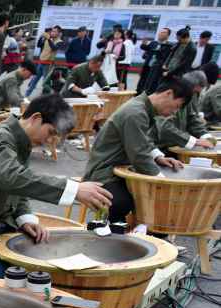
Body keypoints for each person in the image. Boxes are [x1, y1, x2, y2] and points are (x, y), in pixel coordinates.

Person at [0, 94, 112, 278]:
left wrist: (25, 218)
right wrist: (74, 189)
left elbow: (19, 188)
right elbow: (14, 179)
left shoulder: (19, 141)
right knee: (9, 279)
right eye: (51, 132)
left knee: (37, 267)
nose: (50, 141)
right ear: (36, 118)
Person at [83, 77, 191, 224]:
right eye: (177, 106)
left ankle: (135, 235)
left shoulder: (142, 108)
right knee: (129, 202)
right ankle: (114, 234)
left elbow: (142, 141)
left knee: (144, 198)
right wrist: (164, 183)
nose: (174, 112)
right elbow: (139, 155)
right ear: (168, 93)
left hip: (117, 169)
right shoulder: (136, 112)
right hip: (104, 173)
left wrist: (158, 157)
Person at [156, 70, 215, 151]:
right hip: (162, 148)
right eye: (195, 92)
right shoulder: (166, 99)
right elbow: (164, 127)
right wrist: (194, 141)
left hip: (177, 146)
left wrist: (205, 135)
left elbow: (192, 119)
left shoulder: (187, 97)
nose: (194, 96)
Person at [27, 25, 62, 97]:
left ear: (59, 33)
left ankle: (44, 98)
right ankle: (26, 96)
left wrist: (49, 39)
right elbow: (39, 45)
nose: (52, 33)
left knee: (45, 83)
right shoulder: (48, 39)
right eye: (52, 31)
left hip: (48, 64)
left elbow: (54, 48)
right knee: (34, 80)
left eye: (55, 31)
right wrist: (41, 37)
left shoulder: (59, 41)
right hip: (41, 62)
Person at [139, 28, 172, 94]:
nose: (160, 33)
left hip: (157, 69)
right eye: (160, 32)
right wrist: (143, 44)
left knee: (152, 84)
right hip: (147, 66)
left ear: (168, 35)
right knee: (142, 82)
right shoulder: (153, 43)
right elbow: (146, 48)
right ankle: (139, 93)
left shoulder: (169, 46)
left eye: (163, 32)